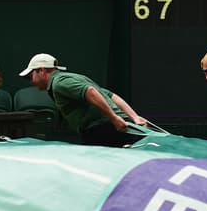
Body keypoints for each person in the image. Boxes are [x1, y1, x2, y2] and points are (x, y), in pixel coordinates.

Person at [20, 52, 150, 146]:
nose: (31, 81)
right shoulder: (73, 77)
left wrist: (115, 119)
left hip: (104, 129)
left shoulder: (59, 83)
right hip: (114, 126)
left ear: (41, 71)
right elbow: (111, 96)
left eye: (31, 75)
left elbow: (91, 92)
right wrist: (134, 117)